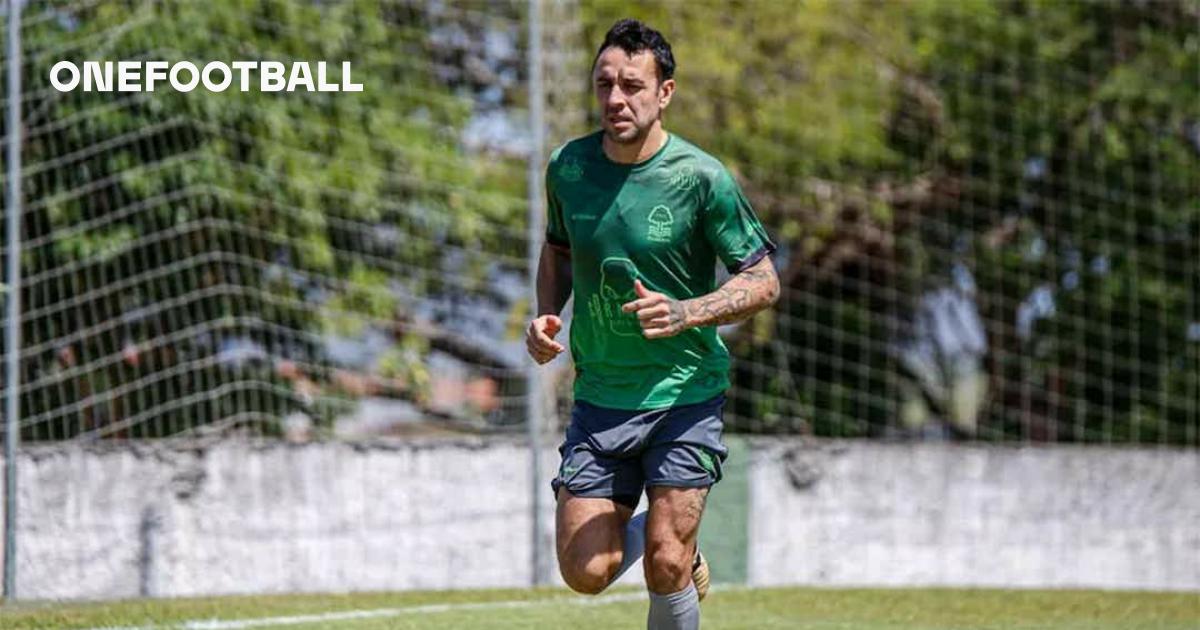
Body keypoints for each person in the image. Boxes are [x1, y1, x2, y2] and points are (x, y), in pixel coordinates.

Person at [526, 18, 779, 630]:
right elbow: (558, 250)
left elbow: (764, 279)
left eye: (633, 85)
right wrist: (545, 317)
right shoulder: (569, 168)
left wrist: (688, 311)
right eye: (605, 84)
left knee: (666, 563)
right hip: (602, 394)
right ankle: (665, 530)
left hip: (685, 392)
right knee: (585, 572)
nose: (617, 98)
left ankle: (674, 541)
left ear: (664, 92)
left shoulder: (701, 178)